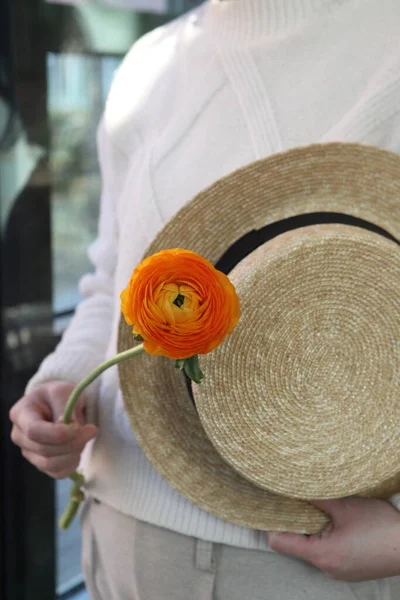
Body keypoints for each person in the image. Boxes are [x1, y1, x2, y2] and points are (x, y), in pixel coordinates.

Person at [9, 0, 400, 598]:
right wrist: (63, 379)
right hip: (122, 523)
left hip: (316, 561)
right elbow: (112, 281)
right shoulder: (149, 65)